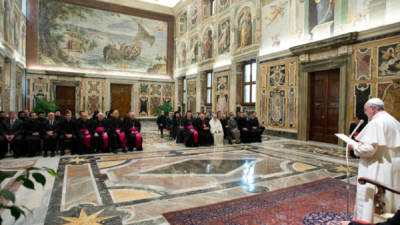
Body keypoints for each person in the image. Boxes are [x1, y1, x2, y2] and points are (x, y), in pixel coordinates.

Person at [349, 98, 400, 222]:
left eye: (366, 110)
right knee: (389, 198)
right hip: (392, 166)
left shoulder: (376, 123)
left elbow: (368, 149)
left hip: (378, 168)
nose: (366, 114)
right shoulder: (393, 120)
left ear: (373, 109)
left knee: (371, 198)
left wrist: (354, 146)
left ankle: (366, 221)